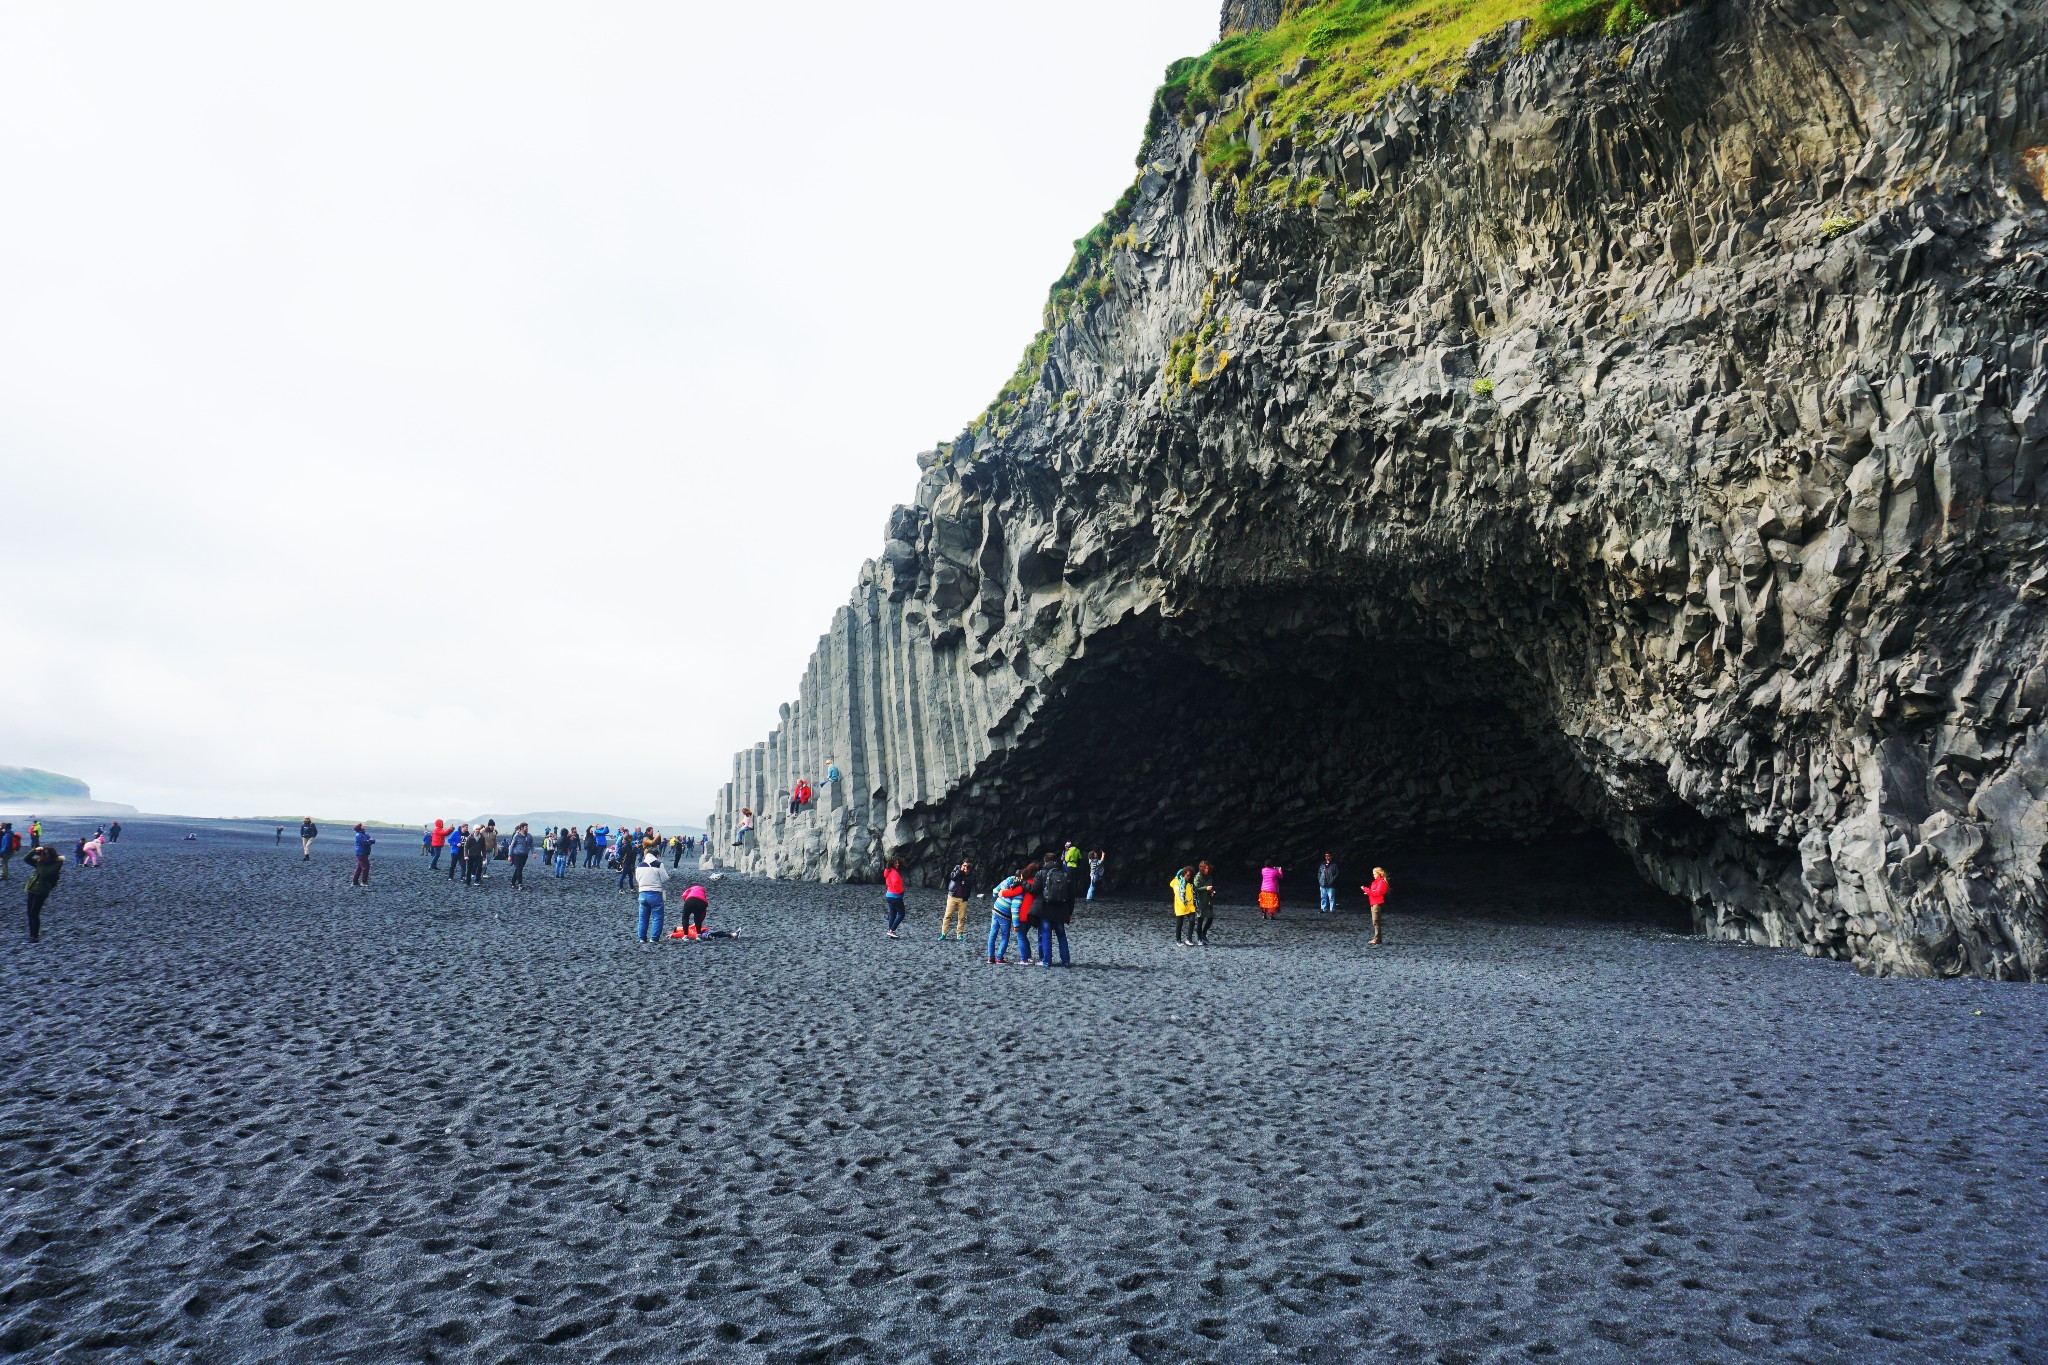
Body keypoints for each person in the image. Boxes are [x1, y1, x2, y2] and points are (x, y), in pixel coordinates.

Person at [987, 865, 1032, 964]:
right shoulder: (1019, 891)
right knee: (1005, 936)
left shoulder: (1008, 880)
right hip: (1005, 915)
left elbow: (995, 891)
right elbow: (1014, 909)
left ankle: (990, 957)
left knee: (992, 934)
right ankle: (999, 958)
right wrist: (1016, 925)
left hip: (996, 909)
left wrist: (998, 899)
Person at [1036, 854, 1074, 967]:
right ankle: (1066, 961)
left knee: (1046, 933)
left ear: (1045, 861)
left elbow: (1035, 890)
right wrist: (1069, 912)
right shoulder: (1065, 874)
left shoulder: (1041, 873)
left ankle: (1046, 961)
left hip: (1046, 909)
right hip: (1061, 909)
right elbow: (1071, 896)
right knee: (1061, 934)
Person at [23, 844, 63, 941]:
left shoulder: (56, 864)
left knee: (34, 912)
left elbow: (44, 873)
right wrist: (34, 850)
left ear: (51, 855)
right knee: (29, 913)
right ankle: (32, 934)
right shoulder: (41, 861)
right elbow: (26, 859)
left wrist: (40, 861)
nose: (42, 855)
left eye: (45, 854)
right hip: (32, 888)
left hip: (41, 890)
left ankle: (35, 936)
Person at [634, 853, 668, 943]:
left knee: (643, 917)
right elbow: (665, 878)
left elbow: (637, 878)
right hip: (655, 893)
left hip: (642, 893)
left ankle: (642, 938)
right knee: (657, 917)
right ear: (657, 855)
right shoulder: (659, 864)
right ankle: (654, 938)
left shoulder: (639, 865)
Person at [940, 858, 974, 940]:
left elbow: (971, 883)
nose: (966, 866)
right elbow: (952, 877)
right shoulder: (957, 868)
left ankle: (959, 934)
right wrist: (960, 871)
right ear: (963, 864)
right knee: (947, 916)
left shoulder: (972, 872)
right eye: (965, 864)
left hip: (963, 898)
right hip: (952, 896)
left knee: (962, 917)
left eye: (968, 865)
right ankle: (944, 933)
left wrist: (966, 873)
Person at [1362, 867, 1390, 945]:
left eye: (1374, 874)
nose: (1373, 875)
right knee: (1375, 921)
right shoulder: (1378, 882)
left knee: (1376, 921)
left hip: (1377, 903)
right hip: (1374, 902)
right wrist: (1369, 892)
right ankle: (1377, 939)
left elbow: (1376, 893)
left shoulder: (1381, 882)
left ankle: (1377, 939)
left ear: (1378, 874)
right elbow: (1374, 892)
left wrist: (1366, 890)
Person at [1172, 867, 1199, 945]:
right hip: (1180, 906)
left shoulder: (1191, 883)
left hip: (1190, 906)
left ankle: (1189, 939)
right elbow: (1175, 890)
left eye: (1190, 875)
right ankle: (1178, 940)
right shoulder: (1177, 882)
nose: (1188, 877)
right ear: (1183, 874)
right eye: (1187, 875)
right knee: (1179, 923)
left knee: (1192, 920)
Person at [1192, 861, 1217, 946]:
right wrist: (1206, 888)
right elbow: (1195, 889)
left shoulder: (1209, 877)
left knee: (1210, 918)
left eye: (1208, 868)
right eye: (1205, 868)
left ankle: (1204, 934)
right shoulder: (1198, 877)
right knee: (1200, 920)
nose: (1207, 870)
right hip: (1200, 901)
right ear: (1202, 868)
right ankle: (1199, 939)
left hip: (1208, 901)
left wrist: (1211, 892)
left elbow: (1209, 888)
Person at [882, 858, 908, 937]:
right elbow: (895, 883)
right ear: (892, 864)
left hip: (889, 895)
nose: (898, 864)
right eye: (896, 863)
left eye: (898, 863)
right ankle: (892, 930)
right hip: (895, 896)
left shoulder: (889, 871)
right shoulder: (894, 873)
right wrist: (901, 891)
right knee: (901, 914)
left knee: (893, 913)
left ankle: (890, 931)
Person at [508, 823, 533, 888]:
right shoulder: (517, 836)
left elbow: (532, 845)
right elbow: (512, 846)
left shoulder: (529, 836)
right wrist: (510, 855)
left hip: (525, 855)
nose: (527, 828)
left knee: (519, 869)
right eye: (525, 827)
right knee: (519, 869)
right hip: (517, 854)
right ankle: (520, 884)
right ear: (521, 828)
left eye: (527, 827)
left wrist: (533, 853)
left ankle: (512, 882)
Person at [350, 823, 375, 887]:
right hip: (361, 853)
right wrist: (369, 841)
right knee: (366, 867)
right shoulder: (359, 835)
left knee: (359, 868)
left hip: (364, 853)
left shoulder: (365, 834)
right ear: (359, 827)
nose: (363, 826)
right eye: (362, 825)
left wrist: (369, 841)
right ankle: (364, 882)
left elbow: (373, 840)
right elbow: (365, 842)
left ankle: (355, 882)